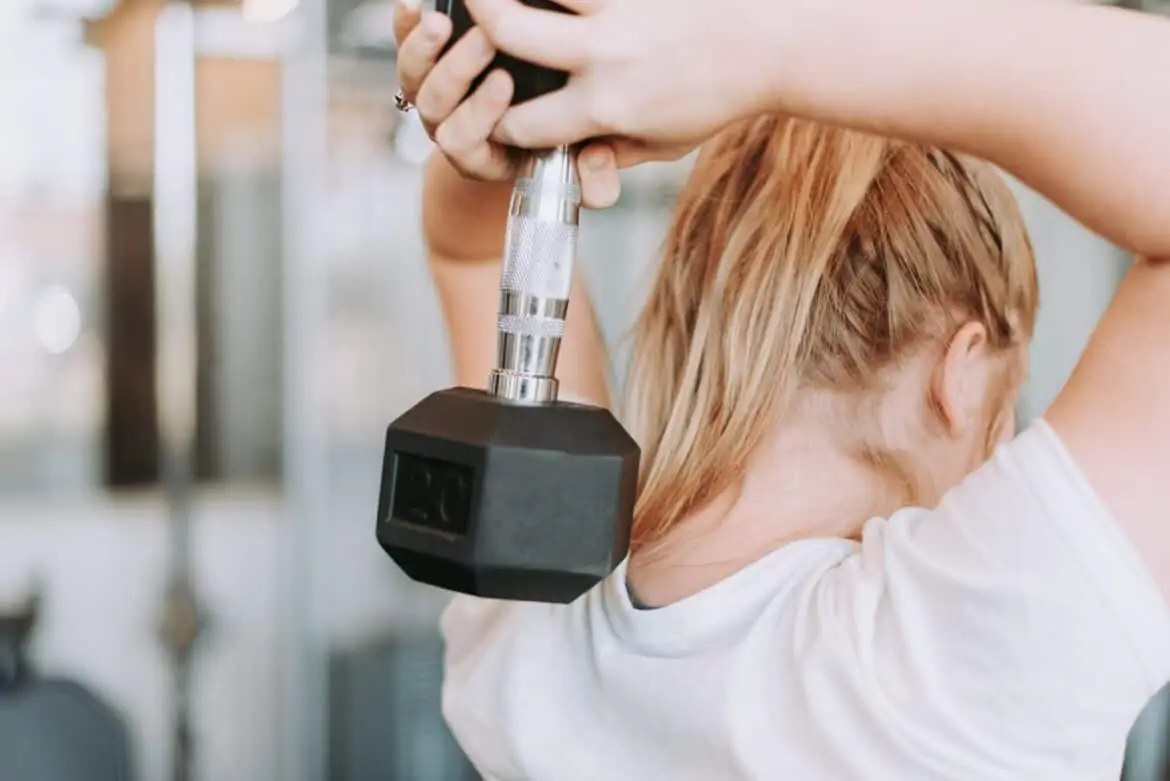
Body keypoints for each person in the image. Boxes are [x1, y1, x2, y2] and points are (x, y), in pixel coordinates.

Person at [392, 0, 1170, 778]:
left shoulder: (532, 609)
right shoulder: (941, 677)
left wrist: (505, 104)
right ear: (959, 374)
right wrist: (749, 43)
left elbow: (471, 247)